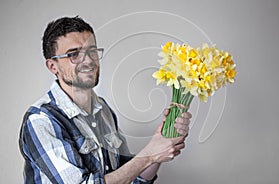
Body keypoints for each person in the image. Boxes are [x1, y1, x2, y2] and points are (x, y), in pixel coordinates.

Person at [19, 16, 192, 184]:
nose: (87, 60)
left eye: (92, 51)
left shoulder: (103, 109)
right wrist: (148, 155)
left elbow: (130, 178)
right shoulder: (41, 120)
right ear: (52, 66)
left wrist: (160, 144)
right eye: (74, 54)